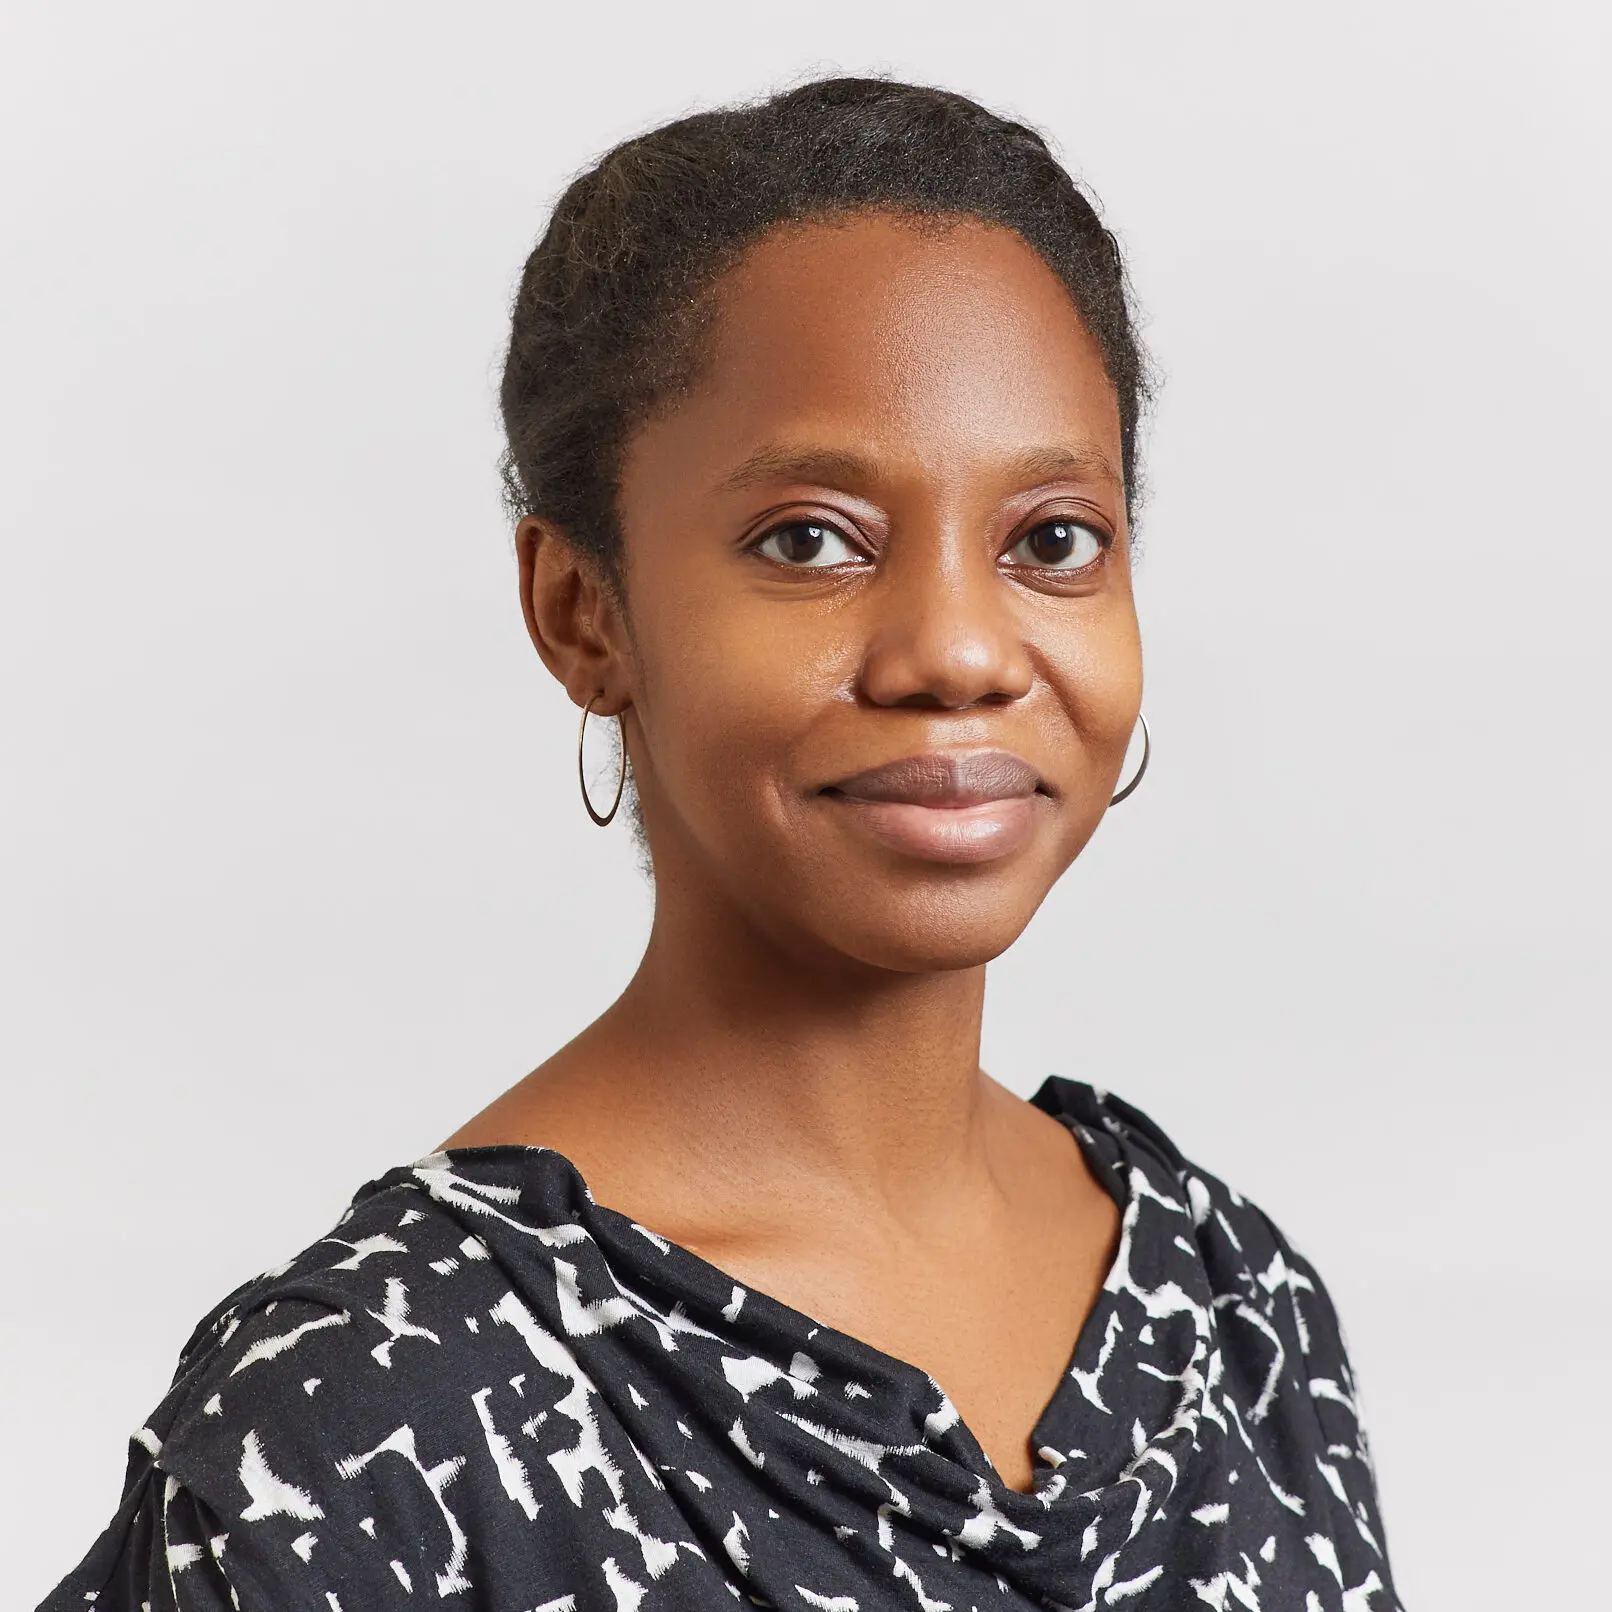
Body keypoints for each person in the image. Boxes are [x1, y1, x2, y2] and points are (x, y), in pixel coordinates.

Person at [41, 76, 1400, 1612]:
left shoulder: (1234, 1309)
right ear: (582, 612)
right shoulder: (367, 1428)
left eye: (1052, 540)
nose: (961, 651)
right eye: (810, 540)